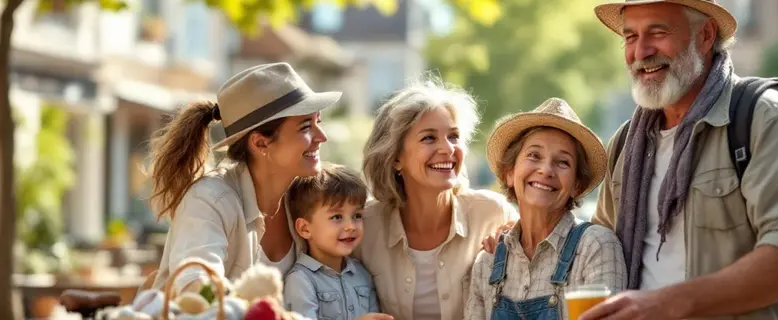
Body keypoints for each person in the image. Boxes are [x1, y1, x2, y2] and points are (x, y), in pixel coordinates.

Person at [579, 1, 778, 319]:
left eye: (657, 32)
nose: (641, 51)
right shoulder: (625, 143)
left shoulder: (765, 117)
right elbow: (600, 246)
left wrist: (668, 303)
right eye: (630, 37)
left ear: (704, 35)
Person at [147, 62, 342, 294]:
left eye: (317, 122)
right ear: (261, 143)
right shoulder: (209, 199)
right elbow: (197, 286)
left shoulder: (310, 197)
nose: (322, 137)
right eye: (305, 127)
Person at [355, 77, 517, 320]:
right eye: (429, 138)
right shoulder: (362, 228)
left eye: (453, 136)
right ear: (396, 157)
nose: (448, 149)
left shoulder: (493, 214)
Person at [465, 98, 626, 319]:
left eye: (563, 162)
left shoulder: (596, 247)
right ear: (509, 172)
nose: (546, 170)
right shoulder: (488, 262)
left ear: (577, 185)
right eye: (534, 155)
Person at [282, 163, 392, 320]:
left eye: (357, 215)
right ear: (305, 229)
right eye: (337, 217)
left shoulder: (362, 273)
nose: (350, 226)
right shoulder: (301, 280)